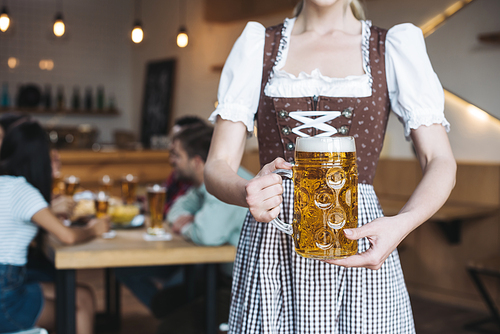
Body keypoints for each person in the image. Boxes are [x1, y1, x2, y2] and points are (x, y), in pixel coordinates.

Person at [203, 0, 457, 333]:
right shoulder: (258, 45)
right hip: (273, 241)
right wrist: (244, 190)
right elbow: (216, 165)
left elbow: (439, 159)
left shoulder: (391, 47)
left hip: (358, 238)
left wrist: (402, 224)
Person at [115, 124, 253, 317]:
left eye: (177, 155)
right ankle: (173, 318)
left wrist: (190, 224)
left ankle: (174, 320)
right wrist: (194, 222)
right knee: (127, 271)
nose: (172, 161)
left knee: (166, 301)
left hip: (238, 281)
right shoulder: (203, 184)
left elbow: (206, 235)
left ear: (196, 162)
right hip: (212, 265)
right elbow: (174, 210)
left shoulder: (229, 183)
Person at [0, 119, 109, 334]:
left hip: (9, 287)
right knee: (79, 306)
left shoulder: (6, 183)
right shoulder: (22, 191)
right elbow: (67, 236)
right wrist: (95, 229)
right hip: (6, 303)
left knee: (84, 295)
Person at [163, 115, 207, 215]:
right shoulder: (195, 187)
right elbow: (172, 210)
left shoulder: (210, 186)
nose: (171, 145)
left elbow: (202, 229)